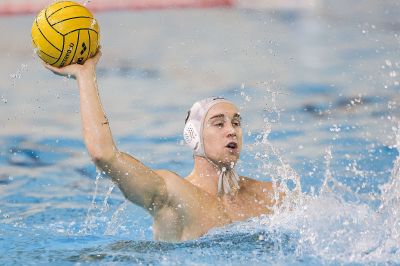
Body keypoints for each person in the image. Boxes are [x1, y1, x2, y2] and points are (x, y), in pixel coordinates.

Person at [44, 51, 284, 242]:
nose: (231, 130)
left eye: (236, 123)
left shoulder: (268, 195)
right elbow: (103, 155)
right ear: (194, 136)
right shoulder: (173, 194)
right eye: (218, 124)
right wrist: (86, 75)